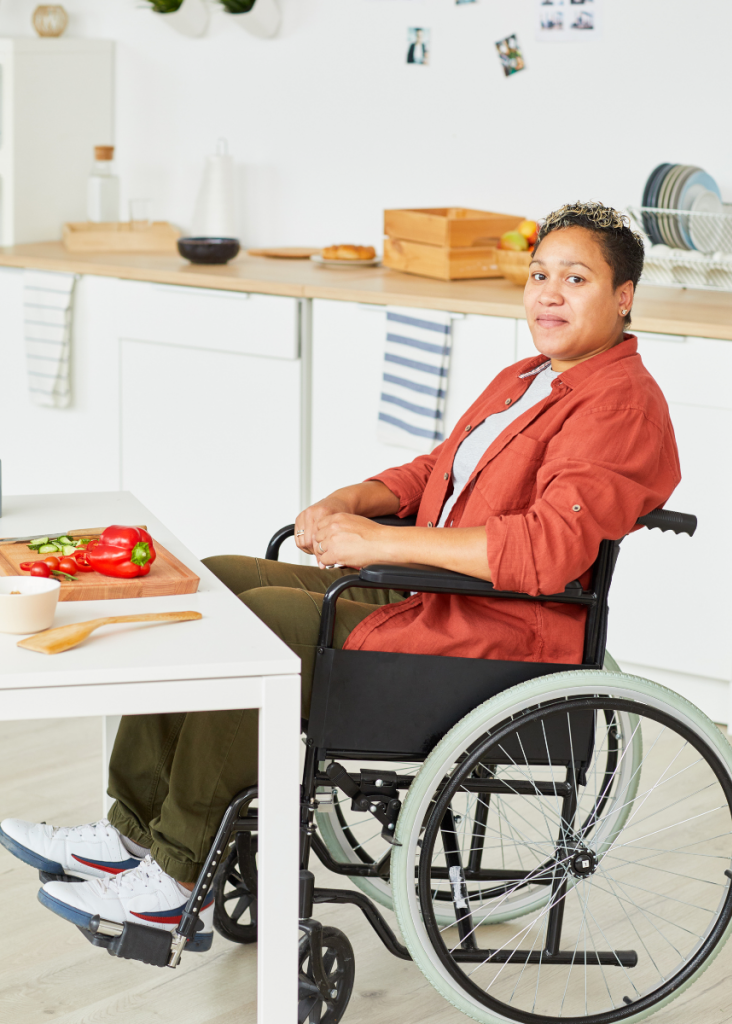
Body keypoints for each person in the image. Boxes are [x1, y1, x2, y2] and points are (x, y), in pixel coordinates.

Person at [0, 201, 681, 949]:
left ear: (623, 297)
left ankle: (176, 875)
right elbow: (437, 471)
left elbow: (548, 550)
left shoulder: (620, 403)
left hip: (494, 626)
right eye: (539, 274)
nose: (548, 293)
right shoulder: (528, 376)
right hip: (431, 593)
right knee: (217, 584)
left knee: (256, 630)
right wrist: (353, 501)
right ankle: (129, 833)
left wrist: (378, 543)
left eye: (575, 278)